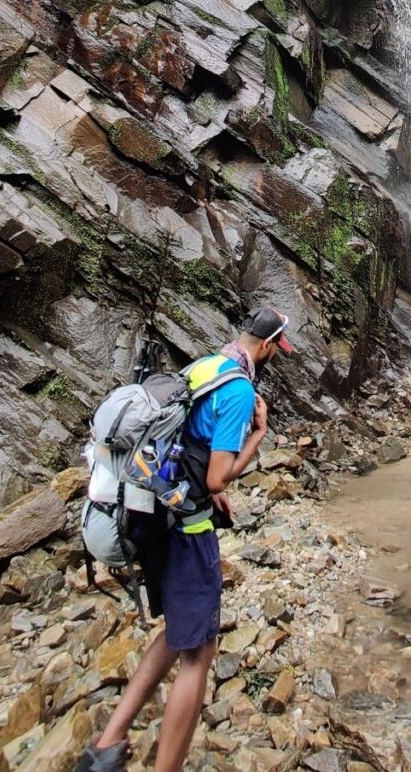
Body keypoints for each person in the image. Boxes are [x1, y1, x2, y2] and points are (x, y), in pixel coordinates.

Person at [77, 307, 293, 772]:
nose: (277, 355)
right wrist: (258, 436)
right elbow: (218, 476)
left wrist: (206, 490)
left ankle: (106, 745)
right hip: (187, 533)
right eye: (278, 349)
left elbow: (180, 437)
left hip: (152, 513)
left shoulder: (208, 365)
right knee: (198, 651)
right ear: (268, 345)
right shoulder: (240, 390)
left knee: (177, 634)